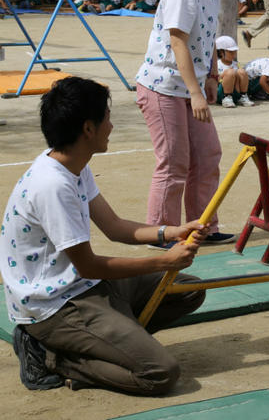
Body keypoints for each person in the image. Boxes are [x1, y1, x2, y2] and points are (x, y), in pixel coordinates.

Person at [0, 76, 208, 393]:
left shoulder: (73, 163)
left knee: (189, 290)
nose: (111, 126)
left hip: (83, 286)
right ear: (88, 128)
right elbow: (90, 266)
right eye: (107, 118)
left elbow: (113, 226)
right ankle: (55, 356)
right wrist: (163, 262)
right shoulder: (52, 185)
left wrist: (171, 231)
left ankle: (108, 341)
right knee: (160, 372)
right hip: (55, 305)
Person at [135, 0, 242, 246]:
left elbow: (208, 37)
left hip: (191, 87)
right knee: (174, 162)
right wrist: (196, 92)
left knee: (208, 154)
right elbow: (178, 42)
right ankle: (161, 232)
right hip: (163, 86)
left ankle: (202, 227)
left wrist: (210, 76)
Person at [214, 35, 253, 108]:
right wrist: (226, 75)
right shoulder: (216, 65)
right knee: (230, 72)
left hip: (235, 91)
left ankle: (243, 96)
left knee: (242, 71)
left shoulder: (236, 64)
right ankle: (227, 97)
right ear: (221, 52)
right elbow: (214, 81)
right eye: (230, 52)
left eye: (234, 52)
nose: (234, 54)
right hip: (221, 93)